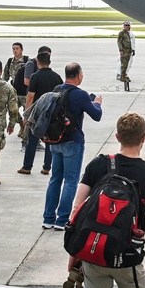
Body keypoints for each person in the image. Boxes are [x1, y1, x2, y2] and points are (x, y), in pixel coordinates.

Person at [67, 112, 145, 288]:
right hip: (127, 258)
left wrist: (76, 253)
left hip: (95, 255)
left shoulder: (98, 165)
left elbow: (78, 209)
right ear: (143, 138)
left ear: (118, 137)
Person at [43, 62, 102, 230]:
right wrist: (97, 103)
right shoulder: (80, 95)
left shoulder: (56, 90)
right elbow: (96, 115)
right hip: (72, 141)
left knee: (55, 179)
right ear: (79, 76)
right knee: (71, 181)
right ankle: (62, 220)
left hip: (55, 141)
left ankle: (48, 218)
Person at [18, 51, 61, 175]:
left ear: (38, 62)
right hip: (52, 113)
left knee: (32, 140)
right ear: (49, 62)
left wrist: (26, 114)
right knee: (49, 141)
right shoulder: (56, 77)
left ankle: (27, 167)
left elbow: (30, 96)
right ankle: (47, 167)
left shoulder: (35, 76)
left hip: (37, 113)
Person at [19, 45, 52, 149]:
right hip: (31, 96)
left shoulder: (44, 67)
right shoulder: (31, 64)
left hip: (40, 98)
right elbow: (26, 81)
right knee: (29, 120)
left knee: (37, 121)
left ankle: (36, 142)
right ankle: (25, 143)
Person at [3, 42, 28, 137]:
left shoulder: (27, 61)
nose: (15, 50)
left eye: (17, 48)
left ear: (22, 50)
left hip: (25, 92)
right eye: (13, 48)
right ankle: (21, 124)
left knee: (28, 113)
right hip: (14, 92)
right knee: (13, 111)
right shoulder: (10, 62)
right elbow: (5, 77)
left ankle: (26, 131)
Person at [117, 21, 134, 90]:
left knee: (127, 64)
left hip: (129, 51)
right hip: (124, 51)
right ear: (124, 26)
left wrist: (133, 50)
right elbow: (119, 42)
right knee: (123, 64)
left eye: (128, 25)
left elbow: (132, 42)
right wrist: (121, 50)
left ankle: (124, 75)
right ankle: (122, 76)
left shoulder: (129, 33)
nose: (127, 26)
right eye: (126, 25)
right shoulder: (122, 33)